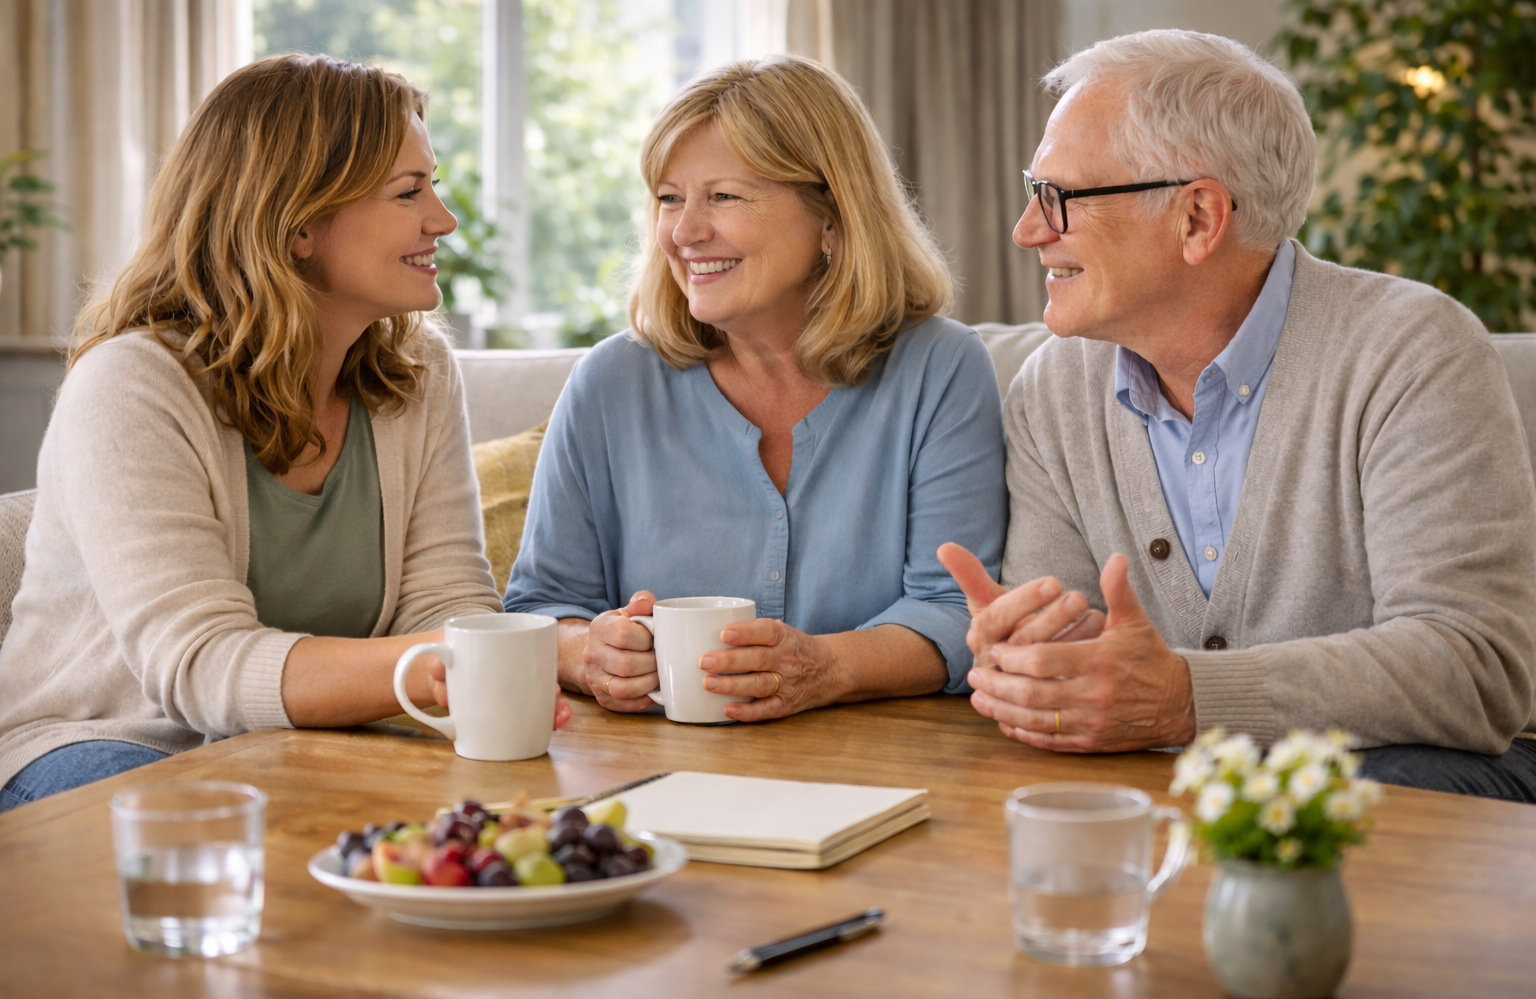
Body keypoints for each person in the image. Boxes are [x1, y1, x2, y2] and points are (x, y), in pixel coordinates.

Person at [938, 30, 1536, 800]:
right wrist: (1044, 663)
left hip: (1417, 782)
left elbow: (1476, 668)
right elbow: (1085, 637)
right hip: (1168, 787)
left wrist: (1186, 696)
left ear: (1198, 218)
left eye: (1059, 197)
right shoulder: (1054, 387)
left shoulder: (1413, 350)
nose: (1028, 229)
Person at [0, 55, 569, 810]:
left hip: (312, 746)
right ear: (299, 223)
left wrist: (495, 664)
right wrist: (455, 661)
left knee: (525, 816)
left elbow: (447, 606)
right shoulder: (131, 385)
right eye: (410, 191)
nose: (443, 218)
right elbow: (200, 665)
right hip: (112, 745)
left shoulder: (417, 371)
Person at [503, 55, 1007, 722]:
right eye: (669, 198)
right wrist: (587, 653)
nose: (683, 233)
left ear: (832, 217)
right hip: (646, 768)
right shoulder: (609, 383)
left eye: (724, 196)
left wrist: (829, 669)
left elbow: (955, 610)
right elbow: (542, 605)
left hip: (883, 763)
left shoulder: (940, 369)